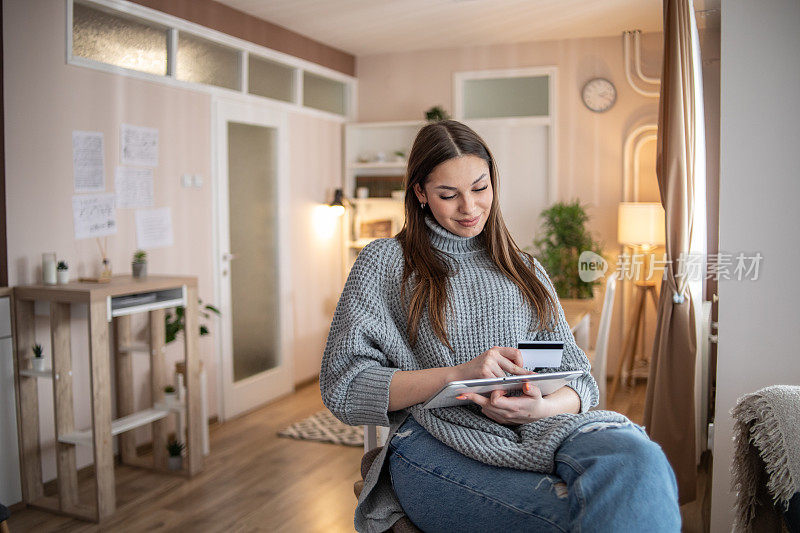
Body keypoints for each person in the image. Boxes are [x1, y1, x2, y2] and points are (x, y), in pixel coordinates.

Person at [320, 120, 680, 533]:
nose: (469, 207)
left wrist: (541, 407)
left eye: (480, 188)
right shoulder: (385, 263)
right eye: (448, 194)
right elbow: (345, 386)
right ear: (420, 192)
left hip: (542, 429)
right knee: (595, 516)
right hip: (434, 443)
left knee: (643, 462)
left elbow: (581, 381)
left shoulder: (523, 268)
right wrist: (457, 375)